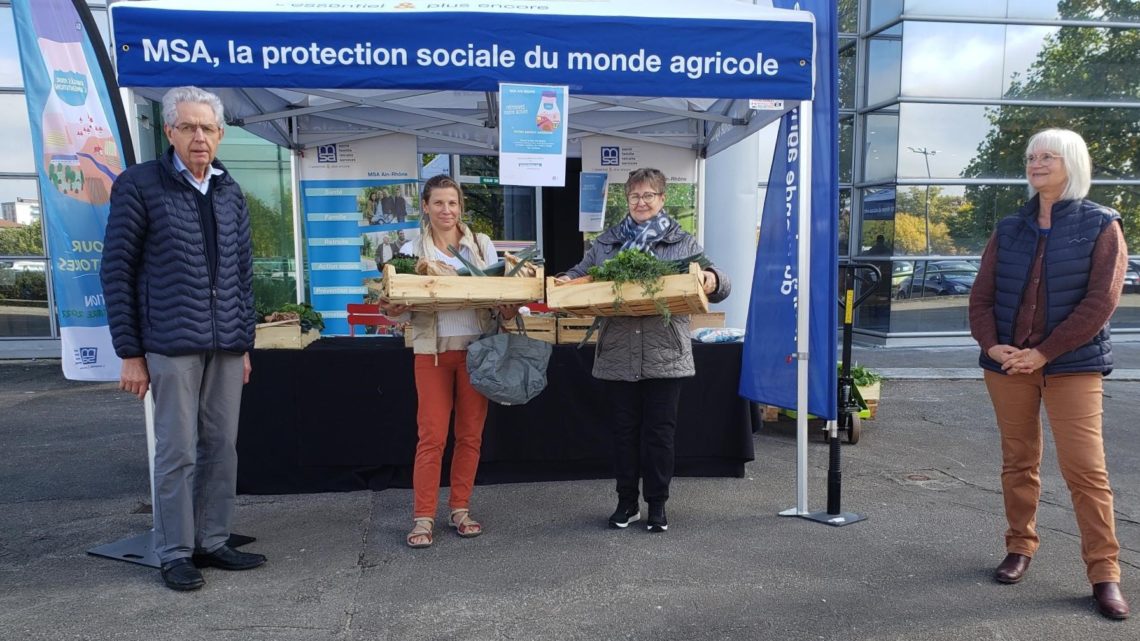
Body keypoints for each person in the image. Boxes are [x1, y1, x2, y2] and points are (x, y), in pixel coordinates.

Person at [100, 87, 265, 591]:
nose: (200, 137)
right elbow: (117, 270)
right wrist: (130, 352)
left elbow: (242, 272)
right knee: (177, 450)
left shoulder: (229, 189)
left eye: (208, 128)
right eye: (189, 127)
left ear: (219, 134)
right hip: (170, 343)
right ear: (169, 131)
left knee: (222, 446)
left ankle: (212, 541)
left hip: (225, 345)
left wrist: (244, 343)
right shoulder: (139, 185)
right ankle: (174, 551)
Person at [968, 128, 1129, 620]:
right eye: (1031, 157)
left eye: (1047, 157)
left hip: (1073, 366)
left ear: (1072, 163)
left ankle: (1104, 574)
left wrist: (1043, 353)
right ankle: (1020, 547)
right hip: (1007, 365)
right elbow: (981, 297)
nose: (1036, 164)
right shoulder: (1009, 227)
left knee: (1086, 471)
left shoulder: (1102, 224)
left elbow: (1101, 302)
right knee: (1018, 462)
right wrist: (993, 345)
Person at [557, 168, 730, 533]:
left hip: (665, 353)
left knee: (659, 434)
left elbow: (717, 279)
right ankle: (626, 503)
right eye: (635, 196)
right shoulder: (606, 244)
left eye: (649, 195)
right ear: (627, 200)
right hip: (619, 353)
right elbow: (580, 273)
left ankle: (657, 504)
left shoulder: (682, 241)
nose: (641, 202)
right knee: (623, 434)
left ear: (662, 199)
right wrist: (566, 281)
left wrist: (712, 279)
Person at [380, 175, 515, 548]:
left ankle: (460, 509)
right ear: (425, 206)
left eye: (452, 203)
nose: (446, 210)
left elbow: (500, 301)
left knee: (470, 435)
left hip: (477, 351)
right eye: (438, 203)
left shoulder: (481, 246)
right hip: (433, 352)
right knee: (432, 437)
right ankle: (423, 517)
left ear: (460, 207)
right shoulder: (411, 249)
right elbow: (395, 310)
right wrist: (396, 308)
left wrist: (509, 303)